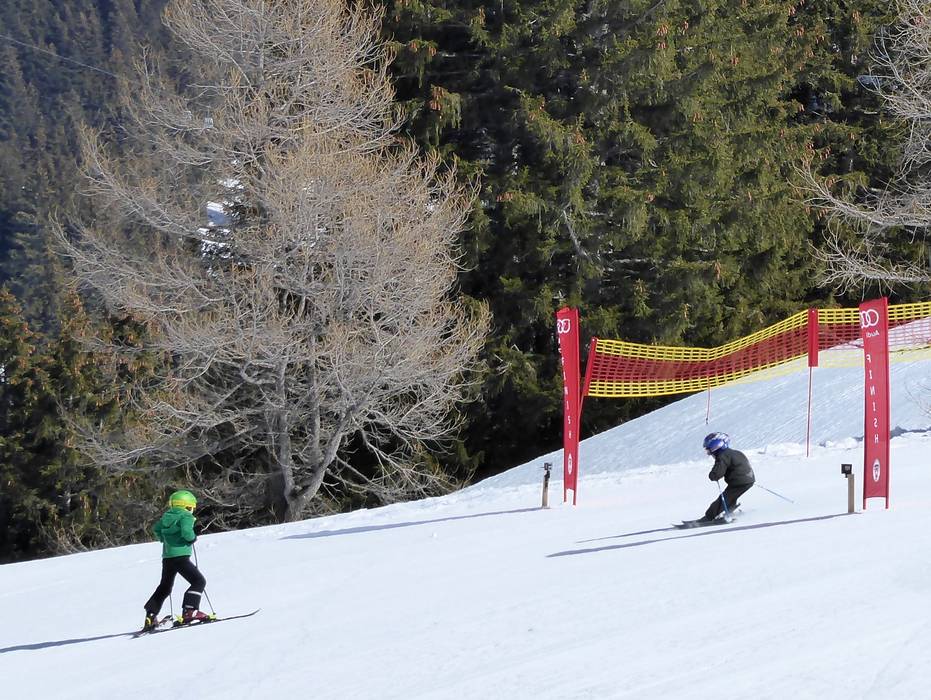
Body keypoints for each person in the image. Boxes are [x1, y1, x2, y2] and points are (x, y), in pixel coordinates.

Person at [142, 489, 211, 631]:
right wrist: (191, 538)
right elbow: (186, 532)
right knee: (199, 581)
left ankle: (151, 614)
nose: (192, 510)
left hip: (168, 558)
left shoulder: (166, 517)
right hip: (181, 556)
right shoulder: (186, 516)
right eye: (192, 507)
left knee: (165, 586)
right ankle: (190, 611)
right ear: (187, 506)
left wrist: (163, 539)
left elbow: (156, 529)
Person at [698, 432, 754, 523]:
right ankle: (729, 511)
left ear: (716, 446)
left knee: (724, 499)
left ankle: (709, 517)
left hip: (739, 482)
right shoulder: (735, 452)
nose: (709, 453)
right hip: (748, 479)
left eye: (709, 449)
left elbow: (718, 471)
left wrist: (713, 475)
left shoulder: (723, 455)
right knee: (730, 497)